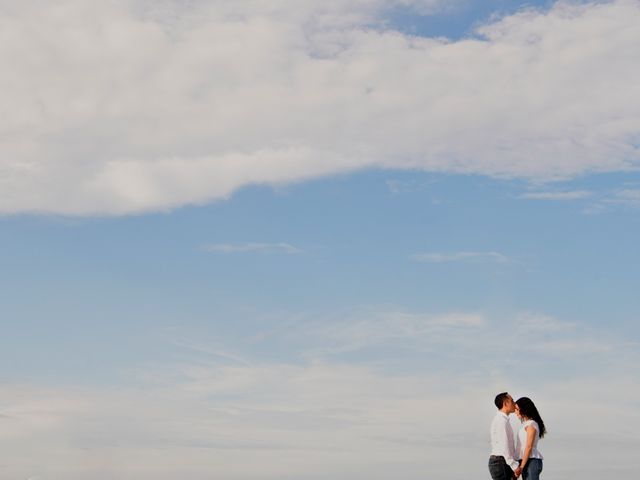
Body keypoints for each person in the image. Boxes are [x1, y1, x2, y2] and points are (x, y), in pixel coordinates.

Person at [489, 392, 521, 480]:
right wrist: (514, 466)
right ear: (505, 403)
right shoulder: (501, 421)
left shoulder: (503, 420)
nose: (515, 403)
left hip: (502, 461)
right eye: (512, 401)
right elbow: (504, 445)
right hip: (500, 461)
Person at [515, 397, 546, 480]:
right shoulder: (525, 424)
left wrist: (521, 467)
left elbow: (528, 447)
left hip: (531, 461)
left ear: (524, 409)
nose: (515, 411)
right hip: (525, 461)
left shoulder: (531, 424)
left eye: (517, 409)